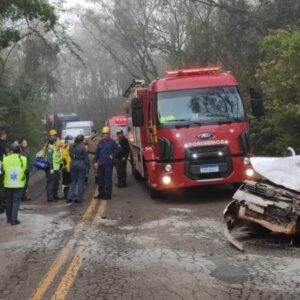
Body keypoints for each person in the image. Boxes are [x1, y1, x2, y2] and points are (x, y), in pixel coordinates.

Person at [3, 143, 27, 225]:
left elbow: (4, 169)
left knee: (9, 201)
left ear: (11, 150)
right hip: (19, 183)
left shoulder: (5, 159)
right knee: (16, 201)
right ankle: (14, 220)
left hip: (8, 183)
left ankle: (9, 219)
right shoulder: (23, 159)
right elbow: (24, 169)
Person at [94, 127, 121, 200]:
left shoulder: (113, 142)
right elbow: (97, 152)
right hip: (101, 163)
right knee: (100, 180)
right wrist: (96, 161)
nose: (105, 135)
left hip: (108, 164)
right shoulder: (100, 142)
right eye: (104, 134)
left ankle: (108, 195)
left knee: (108, 179)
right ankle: (101, 193)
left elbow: (119, 149)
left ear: (109, 134)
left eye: (106, 134)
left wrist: (113, 155)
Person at [67, 134, 89, 204]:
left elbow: (70, 155)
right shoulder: (83, 147)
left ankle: (69, 197)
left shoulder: (71, 146)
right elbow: (86, 158)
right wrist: (88, 166)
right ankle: (79, 198)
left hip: (73, 163)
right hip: (81, 164)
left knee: (73, 181)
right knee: (80, 182)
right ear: (81, 140)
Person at [45, 136, 61, 202]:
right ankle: (50, 197)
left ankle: (55, 195)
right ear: (54, 141)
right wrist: (51, 168)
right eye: (56, 141)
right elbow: (49, 160)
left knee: (56, 183)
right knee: (51, 183)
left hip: (56, 168)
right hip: (52, 169)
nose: (57, 142)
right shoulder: (50, 149)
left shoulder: (54, 148)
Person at [0, 130, 8, 213]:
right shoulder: (3, 144)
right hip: (1, 164)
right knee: (2, 186)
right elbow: (4, 154)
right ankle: (2, 206)